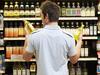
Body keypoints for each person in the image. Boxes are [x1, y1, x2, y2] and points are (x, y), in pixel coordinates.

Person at [23, 1, 83, 75]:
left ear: (46, 16)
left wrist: (27, 37)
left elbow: (26, 57)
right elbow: (74, 60)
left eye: (41, 15)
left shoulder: (35, 36)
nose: (41, 18)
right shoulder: (68, 37)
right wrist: (79, 41)